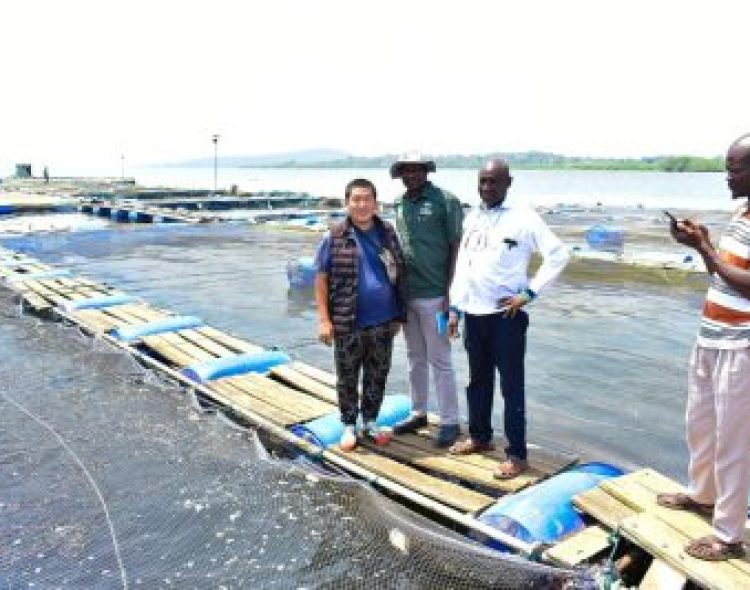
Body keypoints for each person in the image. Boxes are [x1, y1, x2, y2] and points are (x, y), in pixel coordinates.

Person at [656, 133, 750, 561]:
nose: (727, 176)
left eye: (734, 168)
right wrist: (702, 242)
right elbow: (727, 270)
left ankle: (729, 536)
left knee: (733, 441)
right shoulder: (743, 211)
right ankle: (703, 495)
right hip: (711, 337)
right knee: (700, 425)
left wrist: (705, 248)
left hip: (740, 346)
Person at [447, 159, 569, 479]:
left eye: (494, 182)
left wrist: (529, 293)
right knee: (478, 381)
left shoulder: (524, 218)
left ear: (508, 183)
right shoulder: (473, 216)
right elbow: (464, 267)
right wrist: (455, 309)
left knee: (511, 387)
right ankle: (480, 437)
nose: (487, 188)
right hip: (474, 313)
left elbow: (558, 255)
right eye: (482, 182)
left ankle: (517, 454)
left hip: (506, 316)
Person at [314, 178, 407, 451]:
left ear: (376, 204)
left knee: (378, 374)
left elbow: (399, 272)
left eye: (367, 199)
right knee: (347, 376)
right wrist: (324, 320)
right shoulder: (335, 236)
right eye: (356, 199)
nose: (362, 204)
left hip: (384, 322)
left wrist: (400, 314)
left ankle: (370, 421)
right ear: (347, 203)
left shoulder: (387, 232)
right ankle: (348, 425)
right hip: (347, 321)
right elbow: (321, 278)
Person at [389, 152, 463, 448]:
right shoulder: (399, 203)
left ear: (426, 172)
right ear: (401, 174)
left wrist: (451, 291)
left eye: (417, 170)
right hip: (409, 295)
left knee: (441, 360)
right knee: (414, 358)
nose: (411, 175)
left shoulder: (446, 201)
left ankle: (450, 421)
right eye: (406, 171)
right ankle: (418, 412)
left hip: (437, 295)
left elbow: (457, 245)